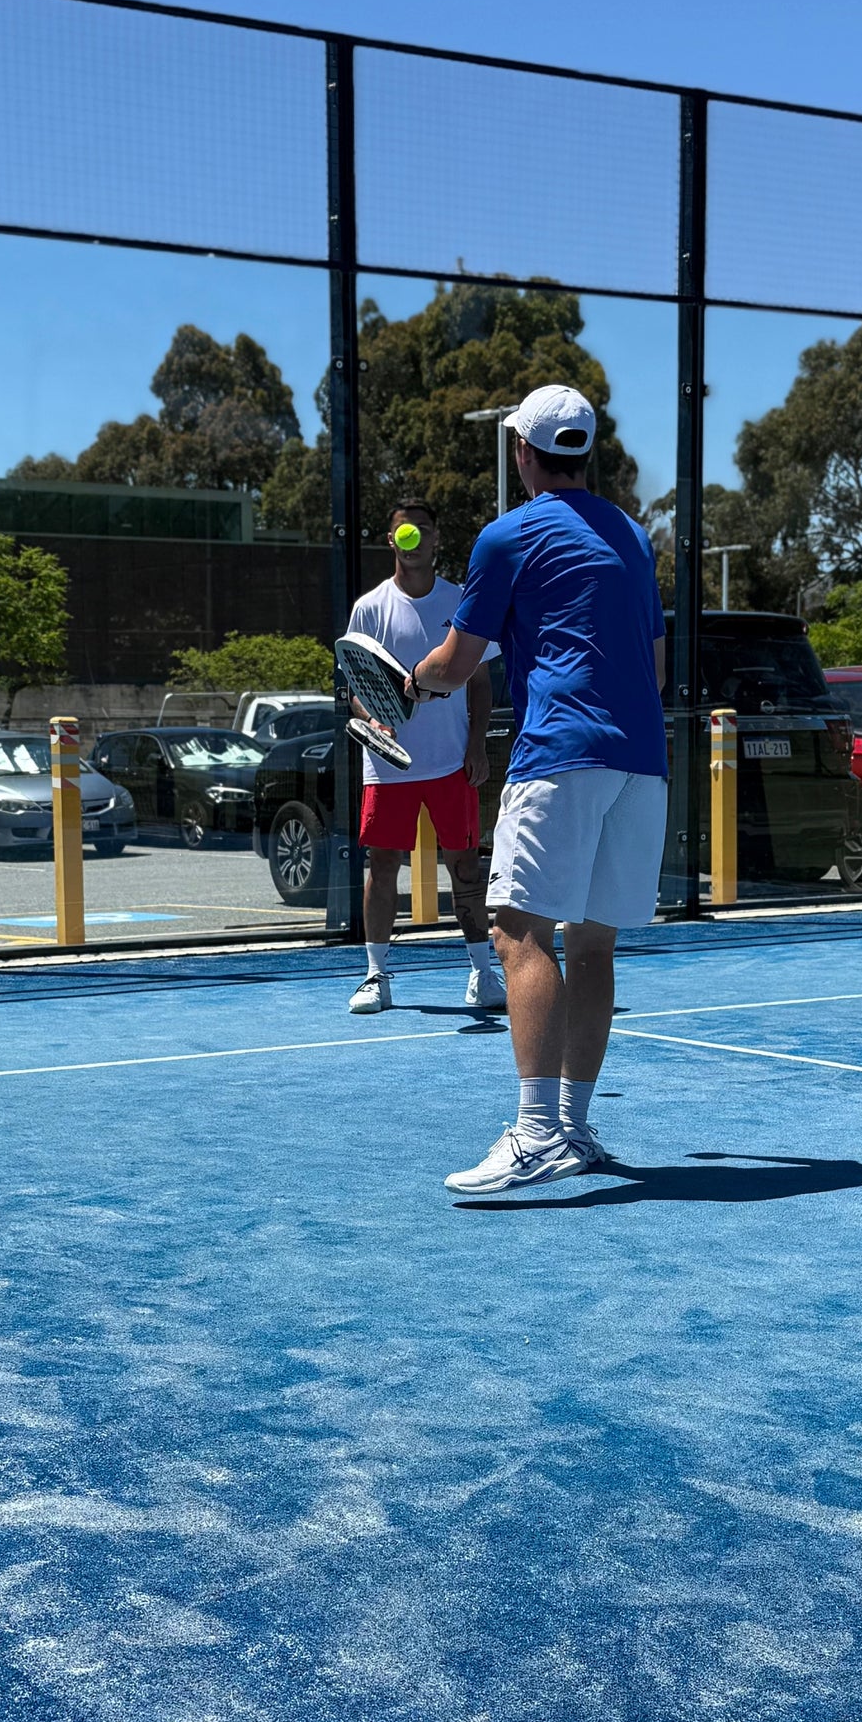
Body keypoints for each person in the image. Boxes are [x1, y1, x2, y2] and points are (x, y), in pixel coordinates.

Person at [401, 385, 668, 1193]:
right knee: (592, 945)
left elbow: (454, 663)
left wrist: (408, 683)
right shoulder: (633, 537)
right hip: (642, 761)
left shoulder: (507, 537)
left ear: (522, 450)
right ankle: (574, 1128)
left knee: (518, 933)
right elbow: (655, 667)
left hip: (560, 756)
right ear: (584, 451)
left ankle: (537, 1133)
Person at [345, 499, 504, 1016]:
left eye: (423, 530)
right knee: (382, 865)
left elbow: (480, 682)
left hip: (451, 763)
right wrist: (373, 720)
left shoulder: (461, 602)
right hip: (388, 767)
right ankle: (375, 976)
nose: (413, 538)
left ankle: (482, 974)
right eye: (403, 532)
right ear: (391, 540)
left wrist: (476, 744)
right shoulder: (370, 608)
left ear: (435, 538)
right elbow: (358, 685)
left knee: (465, 867)